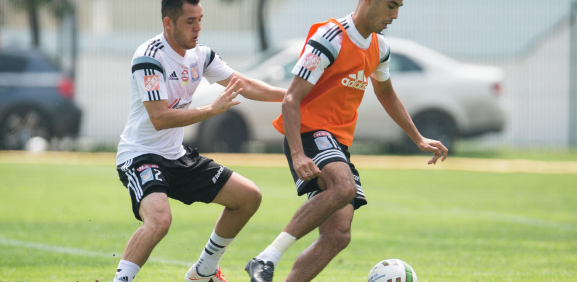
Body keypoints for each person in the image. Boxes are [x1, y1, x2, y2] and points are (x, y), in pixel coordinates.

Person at [245, 0, 448, 281]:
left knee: (338, 235)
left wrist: (418, 138)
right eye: (390, 5)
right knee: (344, 187)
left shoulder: (380, 47)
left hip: (336, 143)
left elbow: (386, 93)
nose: (395, 15)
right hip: (308, 132)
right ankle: (267, 258)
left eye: (399, 7)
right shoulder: (330, 38)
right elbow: (291, 99)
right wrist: (297, 154)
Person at [112, 0, 285, 281]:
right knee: (159, 221)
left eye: (200, 19)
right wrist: (211, 110)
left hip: (176, 156)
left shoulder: (201, 55)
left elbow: (245, 84)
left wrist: (292, 95)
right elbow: (160, 117)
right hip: (141, 155)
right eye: (190, 22)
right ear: (168, 23)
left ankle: (204, 270)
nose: (198, 28)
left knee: (248, 197)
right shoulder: (149, 57)